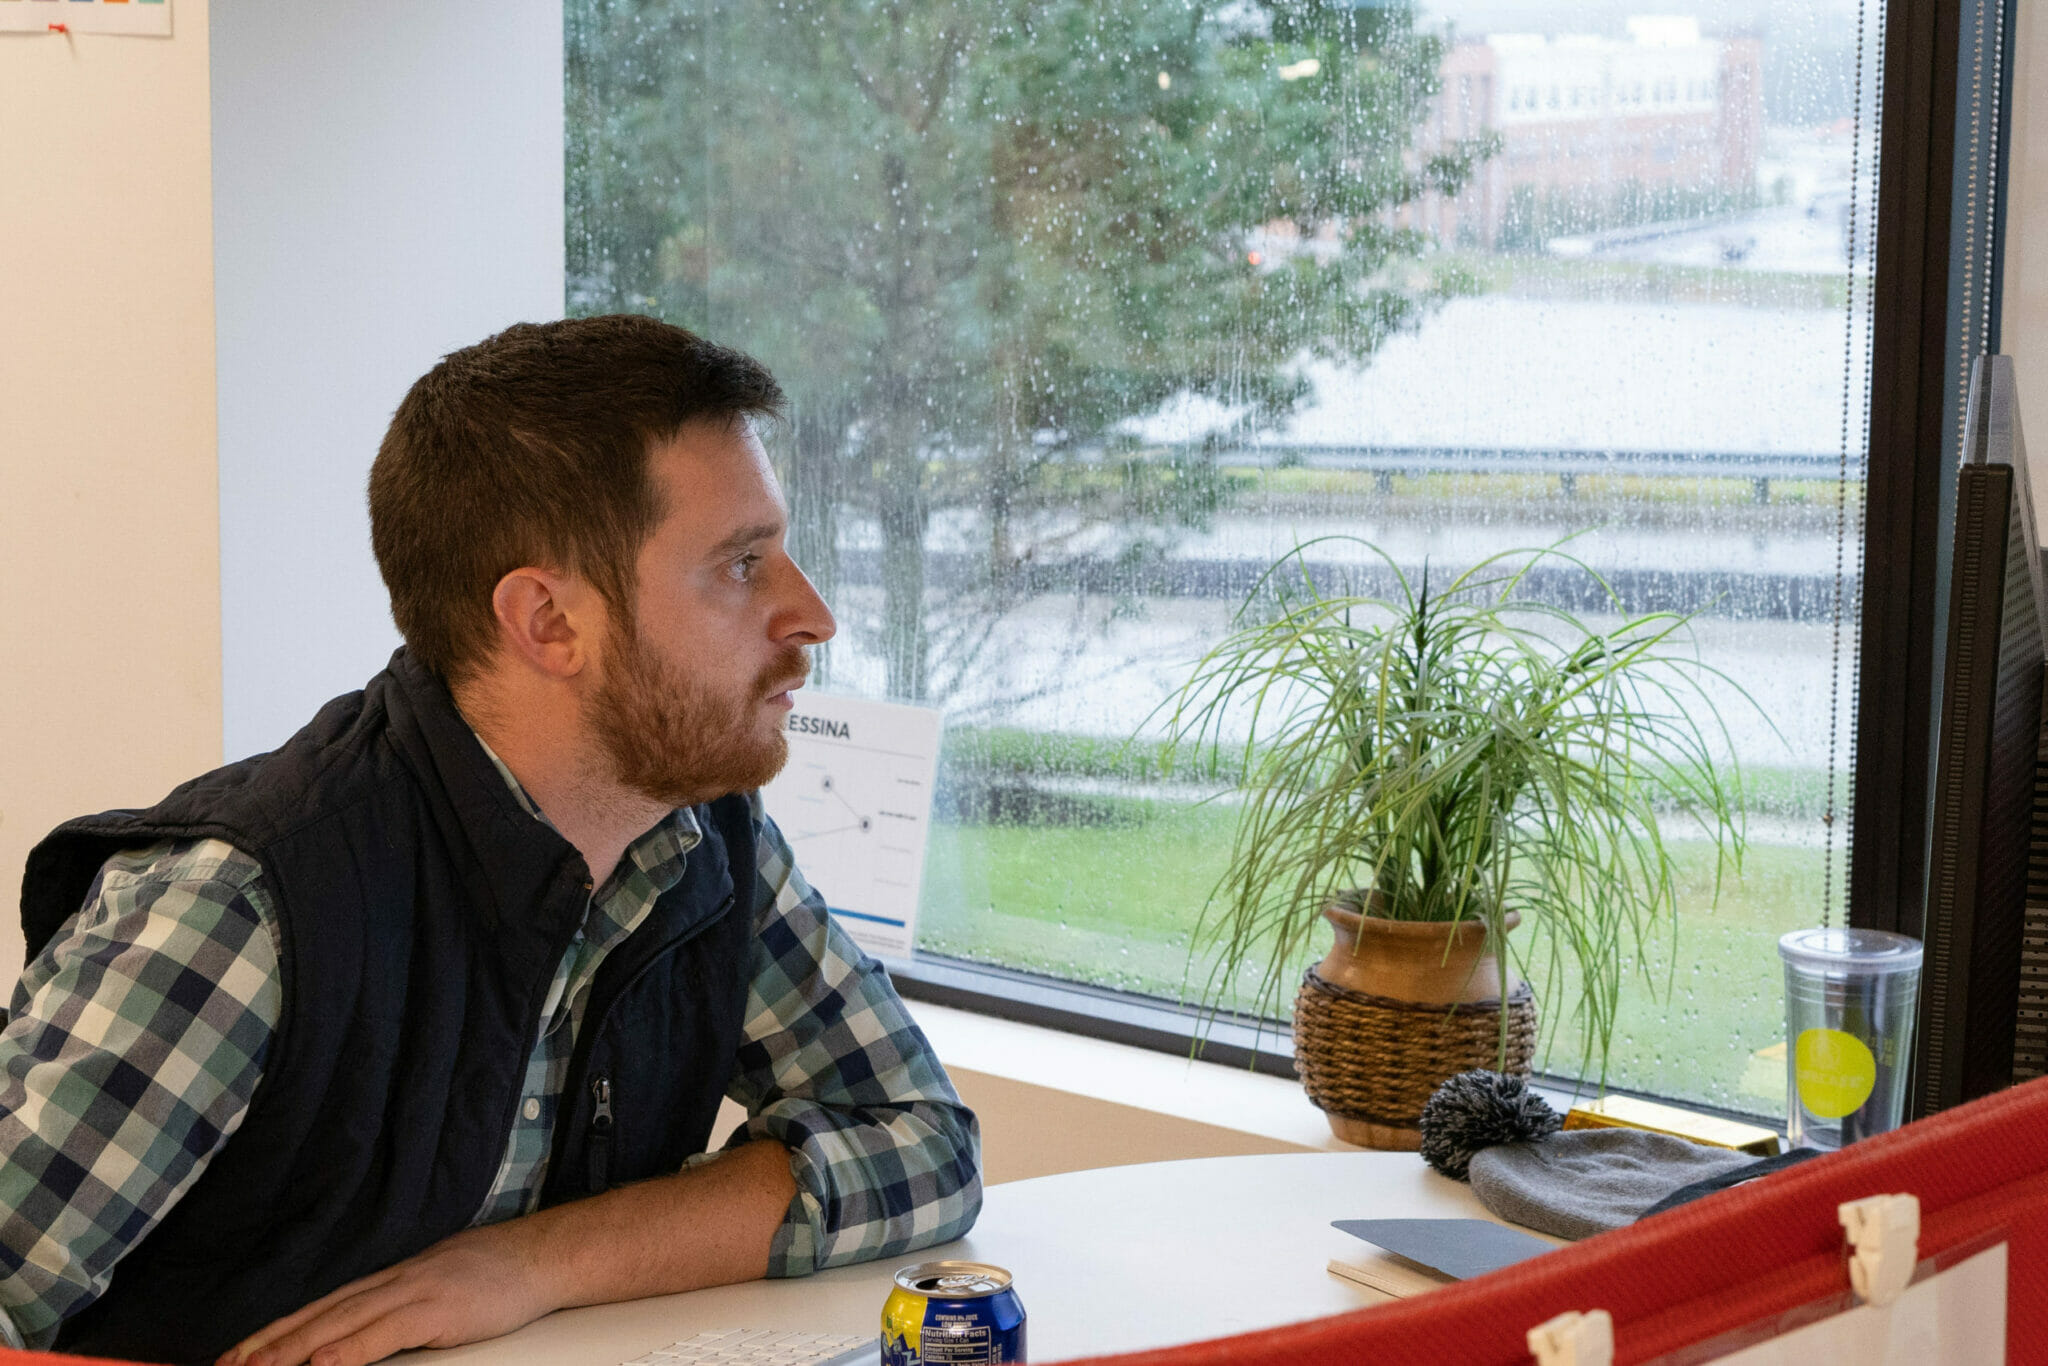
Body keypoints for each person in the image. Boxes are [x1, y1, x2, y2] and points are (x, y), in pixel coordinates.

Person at [0, 316, 982, 1364]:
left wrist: (530, 1265)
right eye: (740, 565)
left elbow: (921, 1142)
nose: (812, 614)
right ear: (547, 622)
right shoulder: (241, 908)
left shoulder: (698, 836)